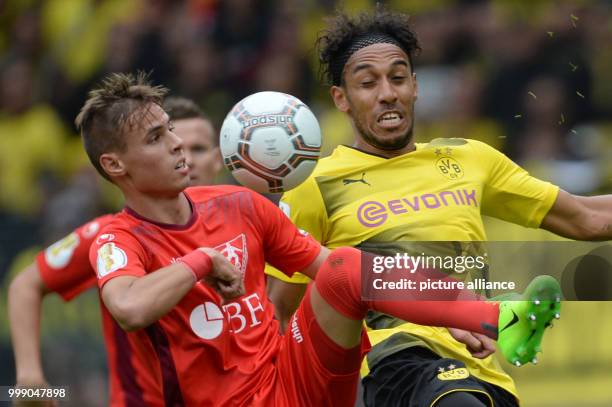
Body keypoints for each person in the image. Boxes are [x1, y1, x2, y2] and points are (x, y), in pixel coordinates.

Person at [74, 71, 561, 406]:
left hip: (292, 381)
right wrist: (202, 260)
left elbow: (347, 274)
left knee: (346, 265)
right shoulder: (118, 240)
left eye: (170, 131)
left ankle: (500, 317)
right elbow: (130, 308)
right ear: (115, 165)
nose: (177, 143)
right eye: (156, 138)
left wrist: (449, 310)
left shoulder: (237, 205)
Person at [264, 8, 612, 407]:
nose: (386, 93)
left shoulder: (471, 159)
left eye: (397, 78)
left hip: (481, 370)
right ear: (341, 99)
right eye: (367, 83)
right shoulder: (313, 185)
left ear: (415, 86)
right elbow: (279, 309)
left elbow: (587, 218)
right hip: (385, 366)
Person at [8, 96, 222, 406]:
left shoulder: (250, 219)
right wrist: (29, 377)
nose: (182, 152)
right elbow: (25, 284)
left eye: (198, 149)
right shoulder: (111, 236)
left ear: (218, 160)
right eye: (161, 139)